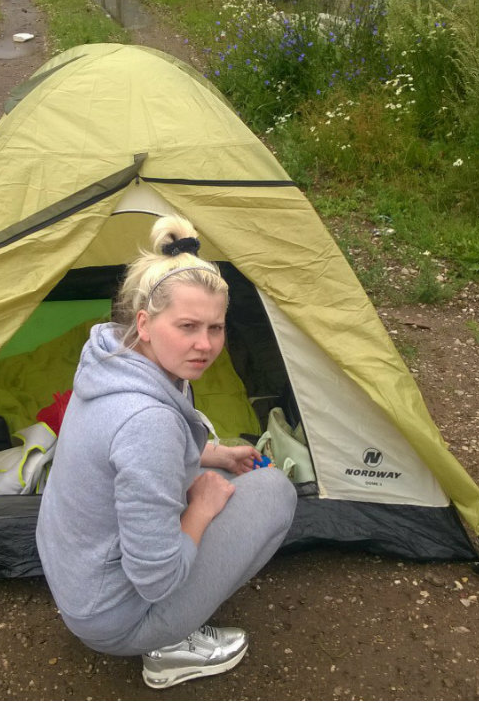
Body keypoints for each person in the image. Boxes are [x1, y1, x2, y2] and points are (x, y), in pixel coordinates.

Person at [36, 215, 298, 689]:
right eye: (188, 326)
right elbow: (155, 580)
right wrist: (200, 507)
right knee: (275, 491)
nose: (205, 345)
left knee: (229, 480)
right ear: (146, 322)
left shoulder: (110, 358)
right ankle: (168, 647)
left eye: (216, 328)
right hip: (114, 617)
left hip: (78, 579)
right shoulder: (148, 423)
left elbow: (123, 459)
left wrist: (212, 455)